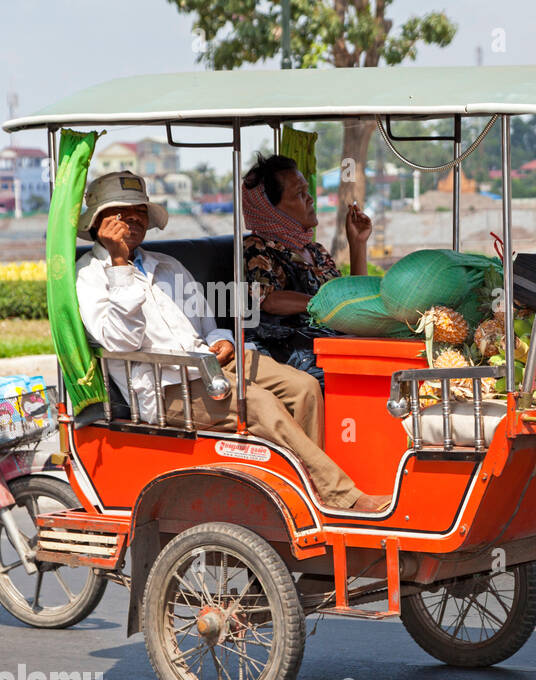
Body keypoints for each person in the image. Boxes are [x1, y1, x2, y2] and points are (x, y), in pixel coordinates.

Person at [74, 170, 388, 513]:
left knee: (304, 388)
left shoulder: (167, 265)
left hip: (210, 362)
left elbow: (207, 326)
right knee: (261, 405)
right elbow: (121, 341)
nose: (133, 220)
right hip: (165, 386)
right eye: (121, 214)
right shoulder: (89, 277)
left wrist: (221, 340)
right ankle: (340, 496)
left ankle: (306, 493)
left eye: (140, 212)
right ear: (98, 223)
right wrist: (119, 264)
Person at [241, 153, 372, 383]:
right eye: (299, 194)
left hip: (333, 344)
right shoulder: (257, 247)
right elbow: (267, 299)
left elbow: (353, 298)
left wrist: (358, 243)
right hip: (294, 354)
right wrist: (325, 304)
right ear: (272, 210)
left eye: (307, 191)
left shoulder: (315, 251)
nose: (310, 199)